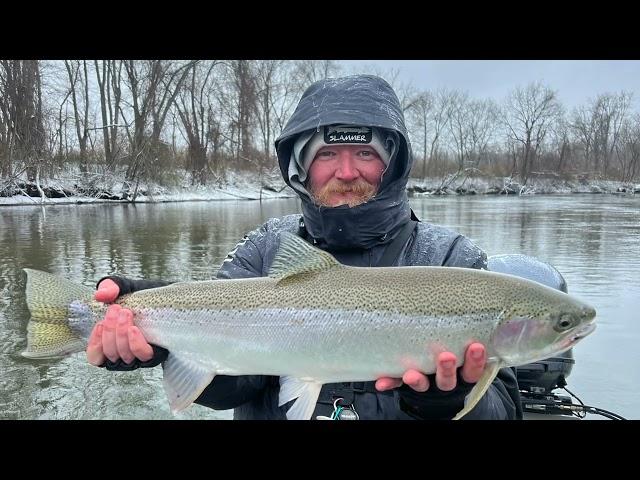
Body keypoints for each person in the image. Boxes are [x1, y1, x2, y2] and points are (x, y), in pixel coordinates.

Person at [86, 74, 522, 420]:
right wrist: (163, 333)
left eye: (366, 154)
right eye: (327, 154)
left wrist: (449, 404)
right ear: (301, 165)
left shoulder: (450, 259)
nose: (347, 171)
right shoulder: (267, 247)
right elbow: (235, 386)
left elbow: (506, 412)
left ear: (393, 164)